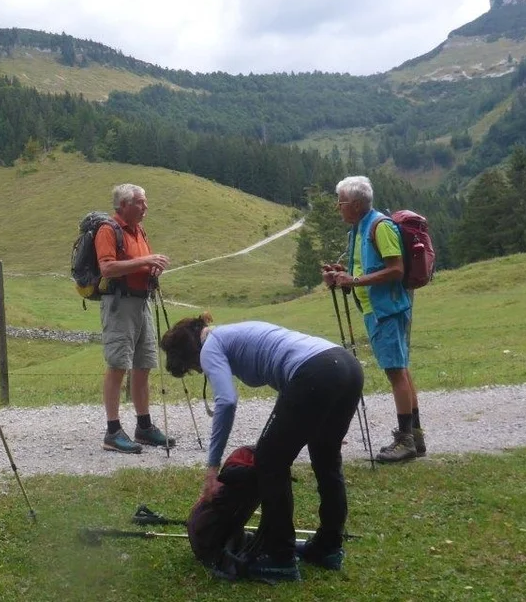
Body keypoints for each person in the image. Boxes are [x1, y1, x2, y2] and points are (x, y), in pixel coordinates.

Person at [160, 313, 363, 583]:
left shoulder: (210, 347)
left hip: (317, 372)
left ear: (189, 354)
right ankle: (328, 547)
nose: (201, 371)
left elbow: (227, 402)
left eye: (194, 369)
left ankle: (280, 557)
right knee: (326, 458)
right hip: (344, 365)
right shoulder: (231, 333)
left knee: (269, 461)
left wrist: (212, 466)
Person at [322, 175, 425, 463]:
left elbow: (396, 270)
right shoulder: (359, 228)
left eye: (340, 202)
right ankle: (415, 437)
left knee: (395, 372)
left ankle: (405, 441)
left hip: (388, 309)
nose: (338, 207)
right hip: (377, 309)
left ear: (355, 204)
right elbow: (365, 265)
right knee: (400, 369)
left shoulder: (380, 227)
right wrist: (341, 273)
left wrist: (353, 280)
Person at [94, 183, 172, 454]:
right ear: (124, 205)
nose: (145, 206)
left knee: (144, 364)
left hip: (141, 302)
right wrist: (144, 261)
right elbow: (107, 268)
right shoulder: (108, 230)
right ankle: (112, 431)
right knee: (118, 365)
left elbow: (138, 263)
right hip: (119, 304)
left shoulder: (138, 230)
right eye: (140, 202)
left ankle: (144, 427)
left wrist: (151, 268)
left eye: (145, 201)